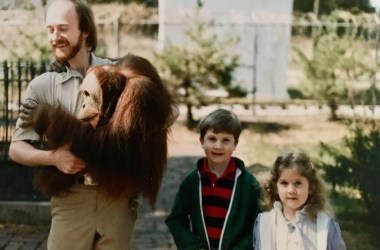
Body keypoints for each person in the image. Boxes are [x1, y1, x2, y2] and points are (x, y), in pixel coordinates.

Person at [8, 0, 141, 249]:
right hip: (71, 198)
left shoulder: (117, 73)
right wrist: (54, 157)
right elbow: (16, 149)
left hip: (116, 197)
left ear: (85, 29)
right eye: (50, 29)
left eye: (63, 28)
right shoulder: (43, 85)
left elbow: (166, 114)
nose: (55, 37)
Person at [166, 108, 262, 250]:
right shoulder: (192, 182)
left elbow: (257, 224)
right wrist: (192, 246)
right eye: (212, 139)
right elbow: (176, 220)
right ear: (202, 141)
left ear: (235, 144)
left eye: (225, 140)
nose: (218, 146)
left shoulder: (248, 183)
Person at [253, 149, 347, 250]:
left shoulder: (325, 226)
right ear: (275, 187)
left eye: (298, 183)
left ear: (311, 187)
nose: (291, 190)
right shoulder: (265, 223)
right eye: (284, 183)